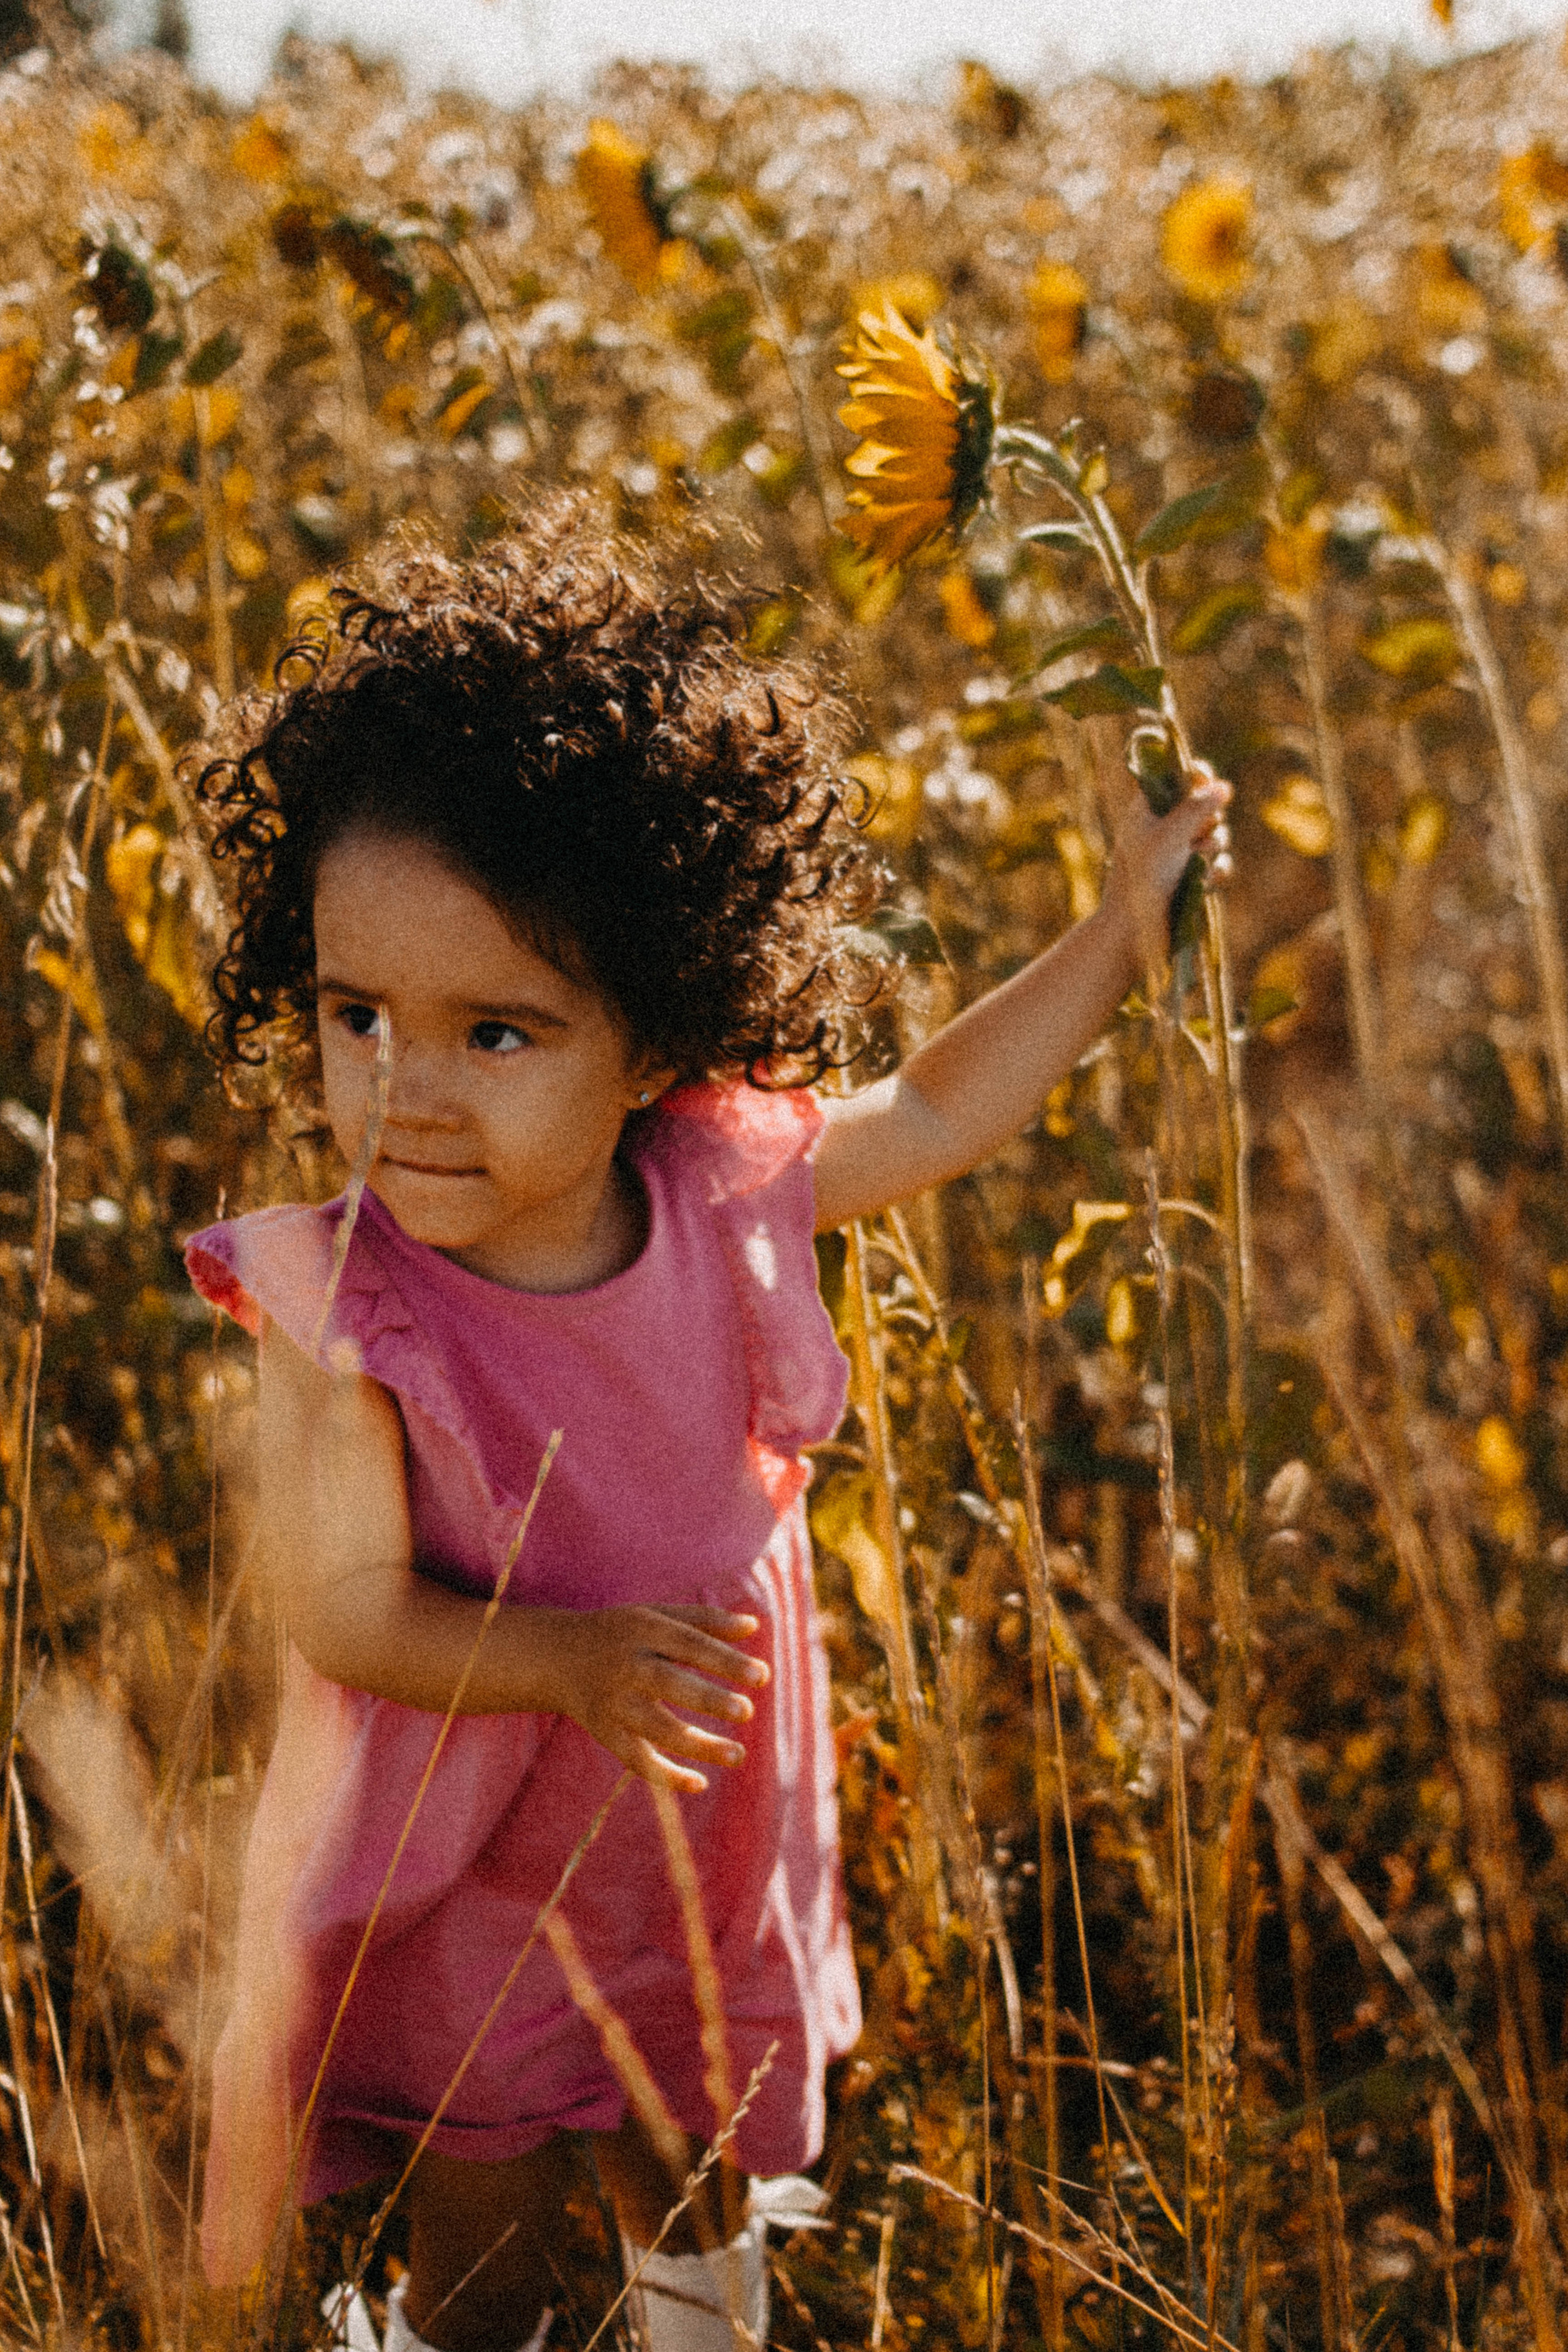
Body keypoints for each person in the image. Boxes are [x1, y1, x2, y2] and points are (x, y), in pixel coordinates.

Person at [184, 494, 1228, 2352]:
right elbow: (339, 1610)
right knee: (488, 2219)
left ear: (658, 1034)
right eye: (357, 1015)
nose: (404, 1092)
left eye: (496, 1032)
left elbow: (933, 1104)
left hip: (696, 1818)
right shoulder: (347, 1306)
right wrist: (569, 1660)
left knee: (692, 2151)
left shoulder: (717, 1186)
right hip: (476, 1848)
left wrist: (1121, 929)